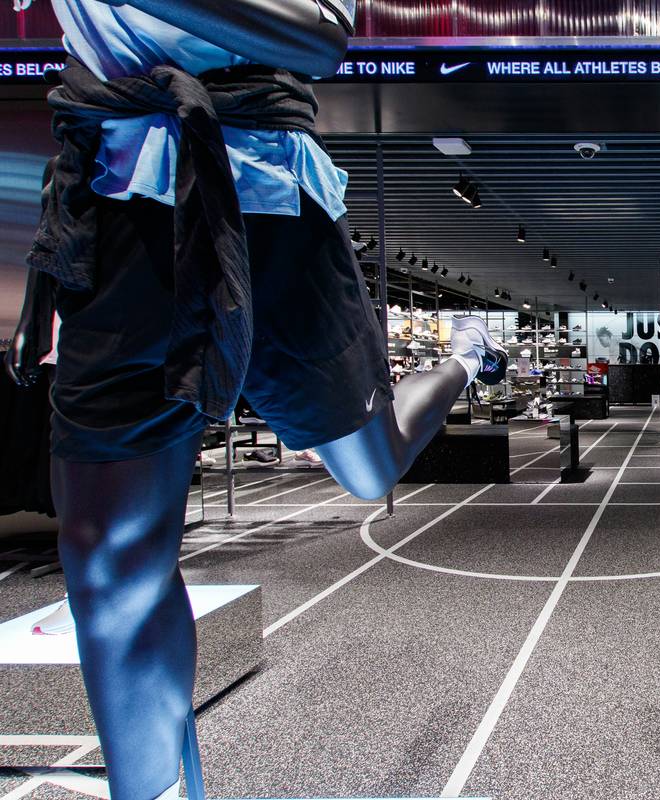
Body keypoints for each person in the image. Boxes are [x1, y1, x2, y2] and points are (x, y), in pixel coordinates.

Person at [3, 1, 506, 796]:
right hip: (115, 197)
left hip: (271, 202)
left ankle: (467, 358)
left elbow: (315, 34)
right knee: (107, 565)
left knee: (370, 468)